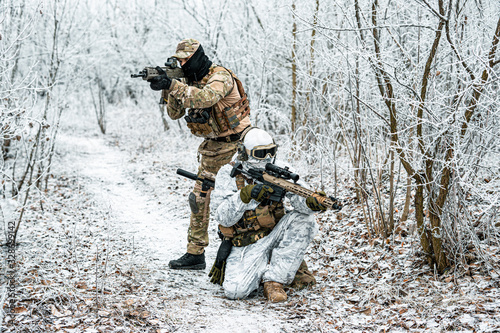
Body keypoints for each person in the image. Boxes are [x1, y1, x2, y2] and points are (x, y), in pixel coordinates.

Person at [148, 38, 251, 270]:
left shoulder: (220, 76)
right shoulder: (187, 80)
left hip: (237, 149)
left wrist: (174, 85)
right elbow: (174, 114)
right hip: (212, 150)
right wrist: (168, 87)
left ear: (197, 58)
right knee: (199, 199)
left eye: (186, 60)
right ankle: (195, 254)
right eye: (180, 61)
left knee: (239, 202)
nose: (183, 64)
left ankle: (243, 254)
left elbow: (206, 98)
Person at [208, 128, 326, 302]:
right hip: (246, 243)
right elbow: (222, 217)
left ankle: (274, 281)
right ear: (244, 153)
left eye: (271, 151)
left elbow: (300, 198)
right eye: (260, 153)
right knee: (235, 292)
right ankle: (261, 269)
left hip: (275, 234)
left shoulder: (281, 170)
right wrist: (244, 196)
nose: (267, 158)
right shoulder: (229, 173)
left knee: (306, 219)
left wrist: (311, 203)